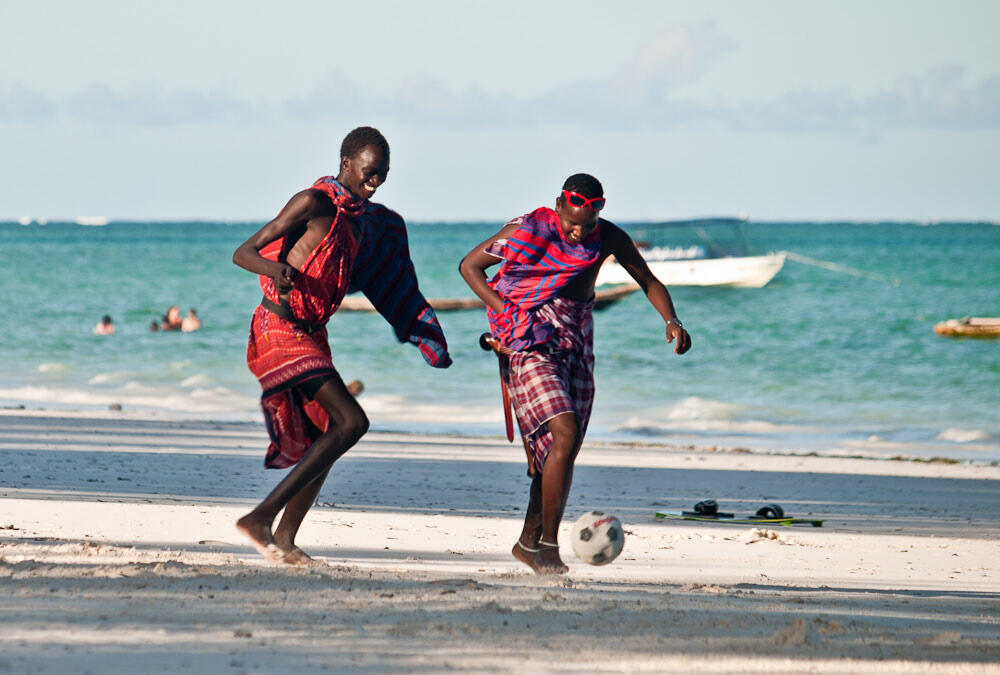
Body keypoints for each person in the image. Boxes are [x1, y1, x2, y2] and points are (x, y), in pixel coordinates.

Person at [232, 126, 451, 565]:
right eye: (371, 172)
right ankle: (259, 519)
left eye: (383, 175)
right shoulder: (313, 203)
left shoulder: (363, 221)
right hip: (279, 327)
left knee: (331, 433)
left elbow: (378, 274)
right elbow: (243, 252)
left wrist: (417, 324)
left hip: (313, 333)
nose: (376, 181)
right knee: (352, 422)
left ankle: (286, 539)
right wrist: (275, 271)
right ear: (347, 163)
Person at [459, 173, 692, 575]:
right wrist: (505, 311)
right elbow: (470, 267)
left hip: (577, 341)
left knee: (557, 454)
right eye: (571, 221)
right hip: (527, 338)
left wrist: (672, 320)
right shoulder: (526, 230)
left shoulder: (608, 238)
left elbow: (648, 281)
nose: (579, 230)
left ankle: (527, 544)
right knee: (563, 432)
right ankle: (549, 547)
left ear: (600, 211)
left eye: (588, 222)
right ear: (558, 206)